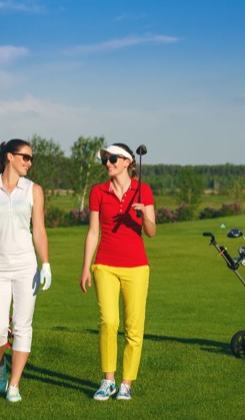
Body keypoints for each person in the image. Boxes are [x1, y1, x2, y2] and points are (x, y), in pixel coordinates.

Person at [0, 139, 51, 403]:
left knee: (22, 326)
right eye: (25, 157)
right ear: (9, 157)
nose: (29, 162)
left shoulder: (33, 190)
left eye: (30, 158)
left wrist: (46, 263)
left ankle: (14, 385)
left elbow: (38, 229)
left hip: (26, 266)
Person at [80, 143, 156, 401]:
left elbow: (152, 231)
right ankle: (108, 380)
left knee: (134, 328)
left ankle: (126, 384)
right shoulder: (98, 191)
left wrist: (144, 214)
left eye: (113, 159)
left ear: (127, 162)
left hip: (137, 267)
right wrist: (86, 267)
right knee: (109, 323)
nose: (108, 163)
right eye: (105, 160)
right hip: (105, 265)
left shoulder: (143, 190)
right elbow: (93, 232)